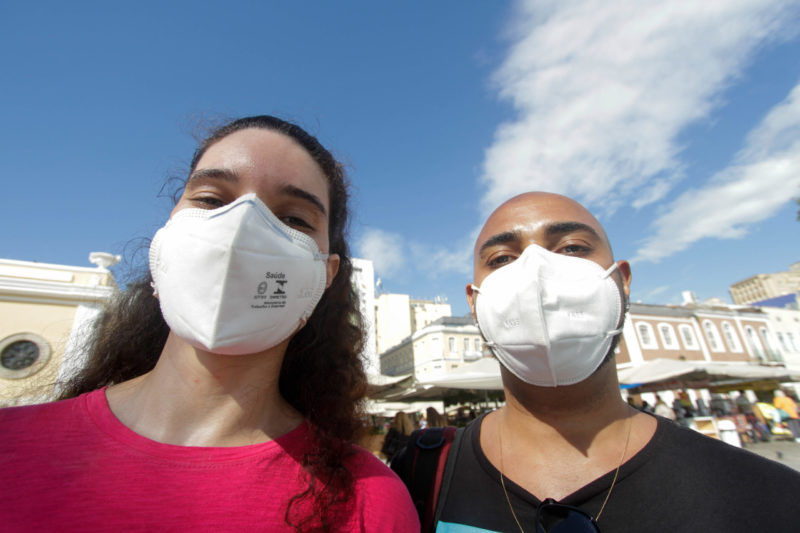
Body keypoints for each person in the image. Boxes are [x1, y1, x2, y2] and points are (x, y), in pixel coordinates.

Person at [0, 116, 418, 532]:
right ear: (166, 236)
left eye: (293, 220)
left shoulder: (368, 500)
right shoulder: (9, 445)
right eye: (212, 200)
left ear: (324, 277)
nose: (241, 229)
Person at [393, 192, 800, 532]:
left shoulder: (769, 497)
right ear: (474, 300)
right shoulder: (417, 477)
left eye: (572, 248)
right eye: (501, 259)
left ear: (620, 280)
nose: (536, 271)